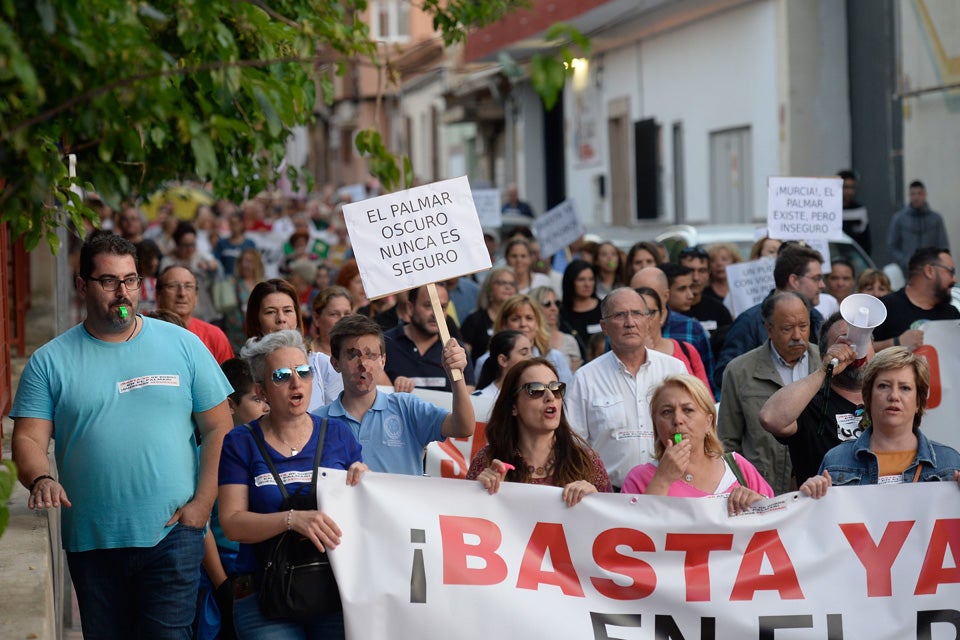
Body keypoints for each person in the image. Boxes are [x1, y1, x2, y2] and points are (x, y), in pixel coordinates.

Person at [11, 232, 234, 638]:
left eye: (131, 280)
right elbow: (27, 438)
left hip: (173, 537)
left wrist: (202, 506)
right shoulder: (50, 361)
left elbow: (219, 426)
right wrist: (40, 477)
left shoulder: (183, 344)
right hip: (92, 543)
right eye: (109, 281)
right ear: (82, 285)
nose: (123, 292)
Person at [218, 330, 367, 638]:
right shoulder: (240, 441)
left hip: (333, 588)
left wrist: (362, 482)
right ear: (261, 390)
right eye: (282, 375)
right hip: (263, 593)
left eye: (303, 372)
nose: (296, 382)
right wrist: (291, 520)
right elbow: (231, 524)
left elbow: (363, 516)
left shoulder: (338, 434)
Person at [313, 315, 476, 475]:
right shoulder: (317, 421)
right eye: (353, 355)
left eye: (371, 355)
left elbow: (464, 427)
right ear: (335, 363)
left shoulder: (407, 407)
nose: (363, 364)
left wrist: (457, 377)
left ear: (383, 361)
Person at [564, 287, 687, 490]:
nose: (630, 323)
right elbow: (575, 446)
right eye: (620, 315)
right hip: (610, 496)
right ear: (604, 326)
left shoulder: (674, 369)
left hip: (670, 491)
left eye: (637, 313)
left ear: (648, 321)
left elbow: (690, 430)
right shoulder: (585, 379)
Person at [803, 347, 960, 496]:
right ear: (868, 398)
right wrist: (811, 498)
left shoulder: (949, 463)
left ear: (918, 402)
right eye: (884, 386)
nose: (893, 396)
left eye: (905, 388)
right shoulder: (836, 461)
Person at [621, 375, 773, 514]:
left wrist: (758, 503)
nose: (677, 420)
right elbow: (631, 537)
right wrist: (662, 480)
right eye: (667, 412)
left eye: (688, 410)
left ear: (709, 422)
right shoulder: (638, 478)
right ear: (656, 424)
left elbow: (777, 523)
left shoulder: (737, 466)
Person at [467, 358, 612, 504]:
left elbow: (612, 520)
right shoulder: (487, 460)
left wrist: (595, 500)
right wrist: (478, 493)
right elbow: (463, 520)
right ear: (513, 406)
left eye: (556, 388)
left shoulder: (586, 461)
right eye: (535, 390)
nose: (550, 397)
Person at [718, 292, 821, 495]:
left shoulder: (825, 365)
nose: (797, 336)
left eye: (803, 326)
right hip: (760, 488)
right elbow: (727, 442)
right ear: (768, 329)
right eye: (787, 328)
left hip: (818, 486)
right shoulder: (740, 371)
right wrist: (741, 486)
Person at [758, 312, 872, 486]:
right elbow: (770, 418)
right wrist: (824, 371)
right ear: (824, 356)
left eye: (863, 338)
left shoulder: (888, 401)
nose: (853, 349)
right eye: (843, 341)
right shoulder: (810, 405)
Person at [197, 358, 267, 640]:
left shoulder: (268, 447)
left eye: (265, 398)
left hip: (261, 573)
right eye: (255, 399)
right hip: (219, 575)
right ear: (230, 404)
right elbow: (200, 525)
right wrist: (221, 584)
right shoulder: (211, 452)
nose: (265, 405)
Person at [714, 244, 825, 392]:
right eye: (816, 279)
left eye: (803, 326)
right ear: (794, 280)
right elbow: (725, 375)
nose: (822, 285)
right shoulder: (750, 322)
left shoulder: (816, 318)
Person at [631, 267, 716, 394]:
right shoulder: (619, 335)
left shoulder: (691, 329)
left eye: (650, 312)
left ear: (665, 296)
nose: (641, 298)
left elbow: (707, 393)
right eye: (634, 294)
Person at [384, 284, 476, 393]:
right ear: (410, 308)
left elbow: (469, 394)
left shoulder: (457, 350)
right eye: (428, 306)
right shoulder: (384, 343)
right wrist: (391, 387)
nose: (436, 314)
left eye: (442, 307)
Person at [473, 293, 573, 384]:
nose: (523, 324)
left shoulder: (555, 357)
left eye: (529, 318)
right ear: (504, 324)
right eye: (515, 319)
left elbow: (567, 396)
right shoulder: (485, 361)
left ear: (537, 324)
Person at [872, 247, 960, 350]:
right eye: (950, 271)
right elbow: (860, 352)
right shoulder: (885, 307)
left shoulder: (951, 314)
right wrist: (897, 342)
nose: (955, 279)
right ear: (929, 271)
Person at [157, 265, 235, 363]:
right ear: (158, 295)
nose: (182, 293)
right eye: (172, 286)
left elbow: (228, 377)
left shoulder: (214, 336)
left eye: (188, 286)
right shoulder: (144, 334)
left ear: (196, 296)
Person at [887, 180, 950, 274]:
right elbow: (892, 246)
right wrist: (906, 261)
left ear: (925, 195)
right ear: (909, 195)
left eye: (919, 193)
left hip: (931, 272)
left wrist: (936, 264)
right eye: (913, 194)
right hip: (907, 272)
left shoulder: (936, 219)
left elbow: (943, 246)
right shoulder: (899, 219)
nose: (916, 197)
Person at [306, 287, 353, 413]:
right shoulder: (304, 356)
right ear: (316, 318)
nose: (342, 320)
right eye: (334, 314)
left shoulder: (359, 354)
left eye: (347, 314)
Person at [460, 266, 518, 358]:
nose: (508, 287)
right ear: (489, 288)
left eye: (512, 284)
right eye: (502, 283)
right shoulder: (474, 320)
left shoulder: (522, 319)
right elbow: (464, 357)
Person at [223, 247, 265, 355]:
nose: (244, 265)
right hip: (237, 337)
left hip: (259, 337)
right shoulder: (233, 283)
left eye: (249, 261)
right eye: (242, 261)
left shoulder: (264, 285)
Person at [530, 286, 582, 372]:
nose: (554, 308)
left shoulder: (569, 340)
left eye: (557, 303)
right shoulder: (528, 341)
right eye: (547, 304)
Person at [473, 330, 533, 399]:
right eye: (524, 353)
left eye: (531, 351)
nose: (531, 357)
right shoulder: (479, 399)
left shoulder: (534, 396)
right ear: (503, 360)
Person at [560, 259, 602, 355]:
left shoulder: (605, 308)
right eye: (581, 279)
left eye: (591, 279)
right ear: (570, 281)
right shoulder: (562, 314)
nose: (587, 284)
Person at [838, 169, 871, 255]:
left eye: (852, 187)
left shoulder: (860, 210)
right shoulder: (831, 210)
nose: (850, 192)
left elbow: (865, 240)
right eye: (846, 187)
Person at [214, 213, 257, 277]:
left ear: (242, 224)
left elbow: (255, 263)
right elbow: (216, 261)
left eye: (236, 223)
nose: (234, 226)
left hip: (244, 279)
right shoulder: (221, 243)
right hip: (226, 279)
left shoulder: (250, 243)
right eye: (232, 223)